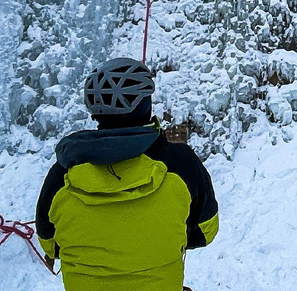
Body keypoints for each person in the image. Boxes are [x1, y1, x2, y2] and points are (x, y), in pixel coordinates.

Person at [36, 58, 219, 290]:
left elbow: (50, 245)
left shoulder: (62, 174)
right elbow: (206, 232)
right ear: (145, 104)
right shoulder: (181, 163)